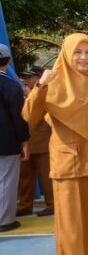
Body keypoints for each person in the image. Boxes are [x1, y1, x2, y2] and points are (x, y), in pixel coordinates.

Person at [22, 33, 88, 255]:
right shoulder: (52, 83)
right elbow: (30, 116)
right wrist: (40, 86)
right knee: (72, 219)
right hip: (68, 162)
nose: (84, 57)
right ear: (66, 54)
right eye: (77, 52)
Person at [16, 66, 54, 217]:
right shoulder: (24, 93)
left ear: (40, 77)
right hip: (27, 142)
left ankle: (53, 204)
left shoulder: (47, 91)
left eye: (30, 77)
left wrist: (31, 94)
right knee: (24, 177)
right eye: (25, 77)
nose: (26, 80)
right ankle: (25, 205)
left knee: (47, 176)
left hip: (44, 142)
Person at [0, 43, 29, 232]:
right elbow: (19, 117)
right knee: (6, 180)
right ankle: (4, 220)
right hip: (7, 140)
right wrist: (24, 141)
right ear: (8, 61)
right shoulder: (11, 86)